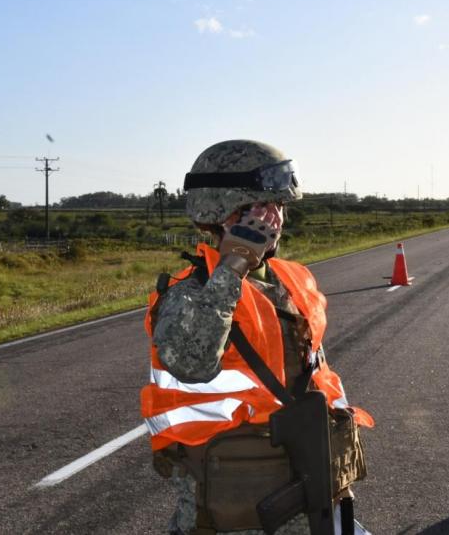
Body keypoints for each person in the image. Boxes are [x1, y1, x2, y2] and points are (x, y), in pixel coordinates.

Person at [140, 140, 374, 535]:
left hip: (310, 481)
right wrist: (233, 265)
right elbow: (190, 361)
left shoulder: (291, 279)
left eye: (280, 208)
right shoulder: (190, 293)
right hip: (235, 503)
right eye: (263, 209)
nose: (277, 219)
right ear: (223, 212)